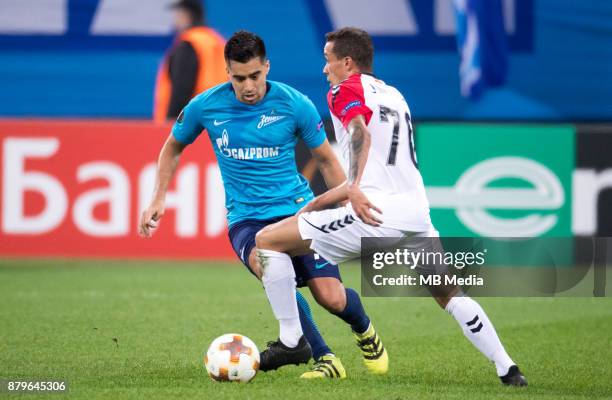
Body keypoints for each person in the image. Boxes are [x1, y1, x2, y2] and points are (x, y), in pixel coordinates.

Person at [255, 27, 528, 386]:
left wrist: (350, 187)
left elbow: (358, 131)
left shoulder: (344, 89)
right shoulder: (395, 95)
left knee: (266, 241)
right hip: (416, 216)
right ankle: (508, 368)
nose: (325, 69)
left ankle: (292, 339)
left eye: (328, 60)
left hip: (373, 216)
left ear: (347, 62)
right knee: (449, 294)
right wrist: (319, 203)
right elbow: (381, 165)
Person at [139, 30, 385, 379]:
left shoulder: (294, 103)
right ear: (228, 73)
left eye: (255, 75)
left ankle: (365, 330)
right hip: (247, 220)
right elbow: (172, 146)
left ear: (267, 67)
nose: (248, 86)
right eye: (239, 78)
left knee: (331, 298)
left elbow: (328, 161)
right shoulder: (206, 106)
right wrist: (158, 197)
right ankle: (323, 357)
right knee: (271, 268)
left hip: (298, 211)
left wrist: (346, 204)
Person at [153, 0, 226, 123]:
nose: (174, 20)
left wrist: (170, 128)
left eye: (177, 14)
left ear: (186, 15)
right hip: (218, 125)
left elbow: (181, 92)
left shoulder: (189, 44)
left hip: (191, 127)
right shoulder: (217, 42)